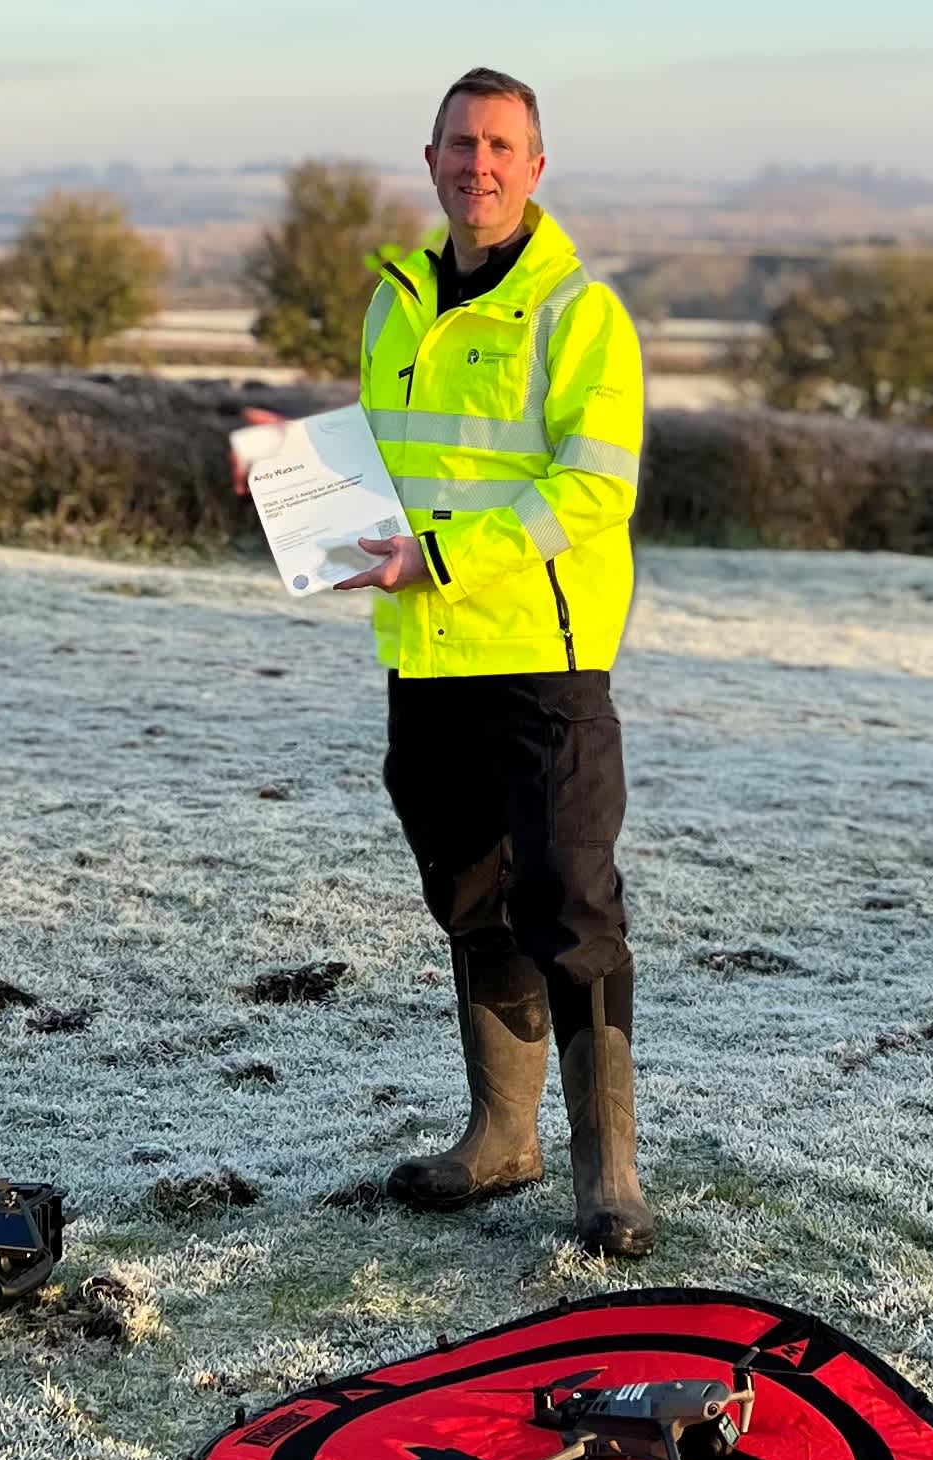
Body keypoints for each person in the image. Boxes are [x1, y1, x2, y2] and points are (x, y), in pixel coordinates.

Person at [242, 68, 652, 1256]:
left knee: (570, 904)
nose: (479, 164)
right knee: (469, 895)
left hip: (541, 655)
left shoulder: (581, 313)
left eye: (502, 146)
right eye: (460, 144)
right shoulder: (395, 305)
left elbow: (593, 487)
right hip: (424, 659)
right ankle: (500, 1138)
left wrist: (443, 557)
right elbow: (386, 459)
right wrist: (298, 486)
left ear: (535, 168)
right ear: (430, 161)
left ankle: (607, 1178)